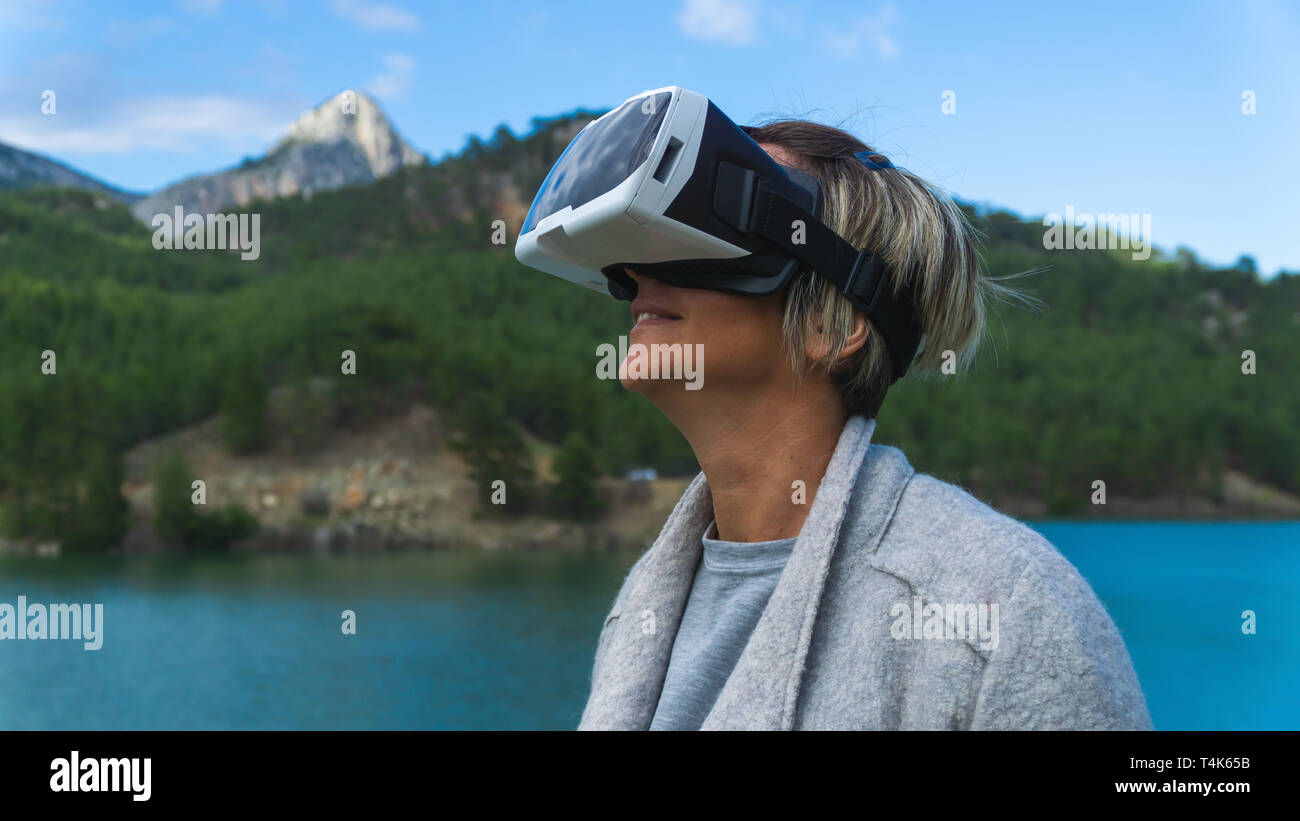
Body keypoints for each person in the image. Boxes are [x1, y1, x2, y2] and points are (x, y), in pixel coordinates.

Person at [577, 119, 1153, 730]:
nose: (641, 271)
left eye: (705, 236)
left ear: (832, 324)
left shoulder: (1000, 605)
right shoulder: (647, 600)